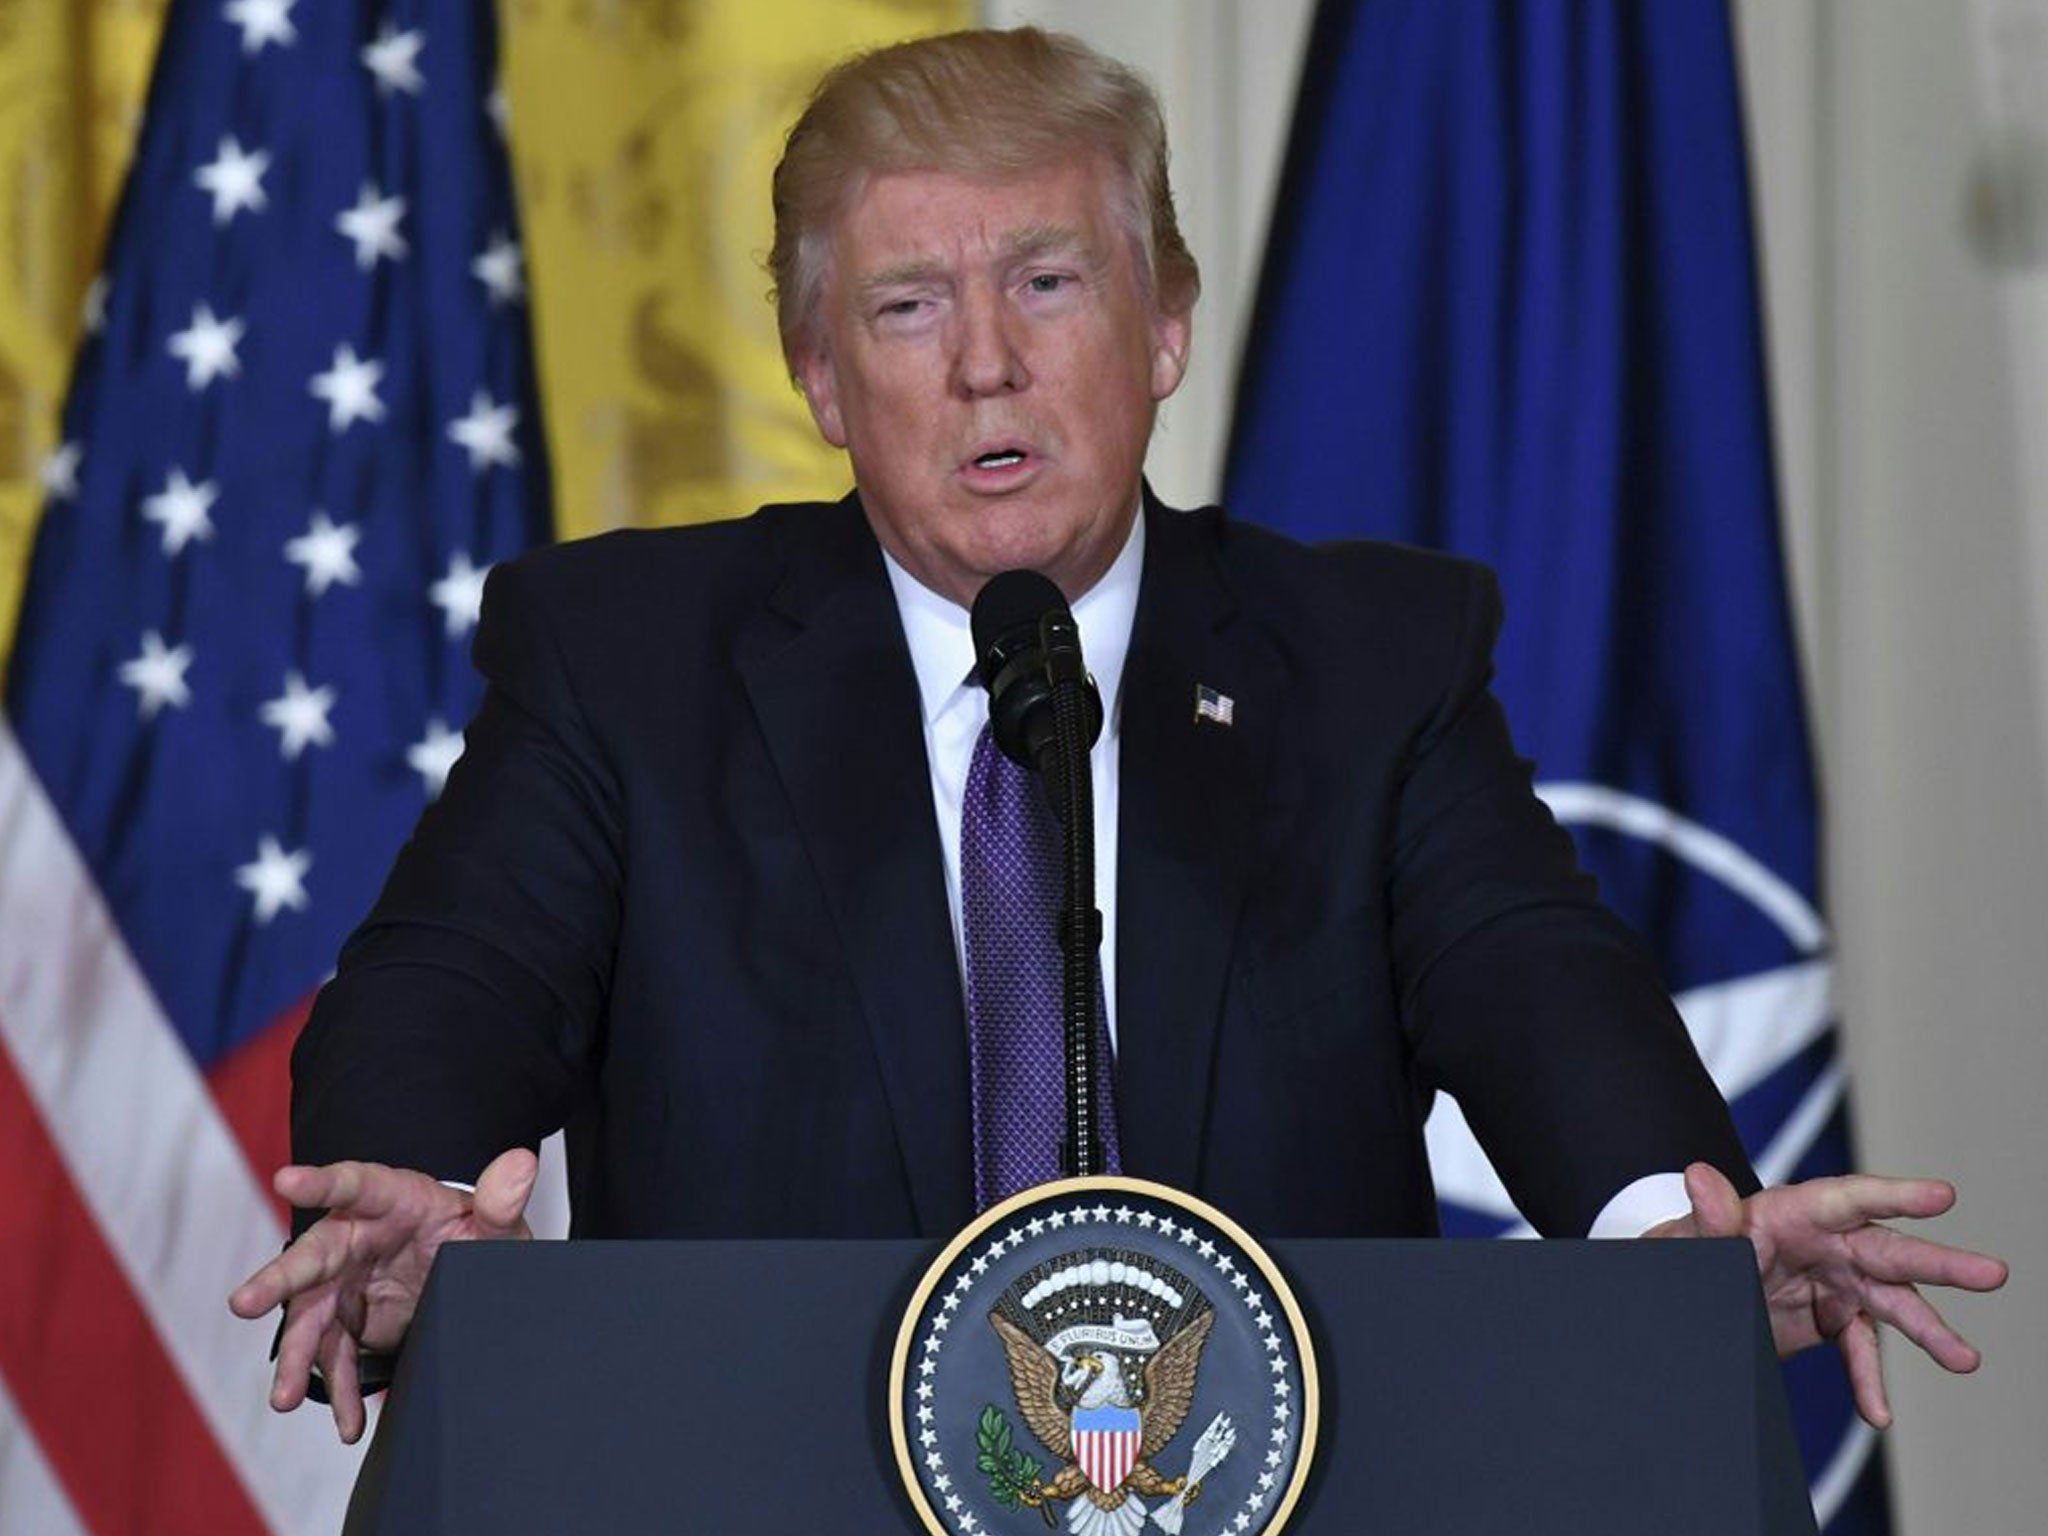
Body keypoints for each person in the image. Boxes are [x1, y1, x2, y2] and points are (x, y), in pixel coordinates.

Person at [229, 27, 2005, 1447]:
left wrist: (1664, 1245)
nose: (985, 362)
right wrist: (415, 1194)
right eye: (908, 306)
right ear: (823, 379)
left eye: (1052, 284)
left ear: (1163, 324)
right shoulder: (633, 657)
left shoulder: (1363, 661)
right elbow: (456, 976)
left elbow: (1529, 974)